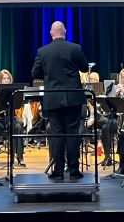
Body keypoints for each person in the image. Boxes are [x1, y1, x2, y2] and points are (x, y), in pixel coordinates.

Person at [31, 21, 89, 180]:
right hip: (73, 97)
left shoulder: (43, 51)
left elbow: (35, 73)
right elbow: (84, 68)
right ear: (65, 32)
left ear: (51, 33)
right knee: (72, 133)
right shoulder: (74, 48)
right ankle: (74, 170)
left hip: (53, 99)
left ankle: (57, 171)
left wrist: (49, 74)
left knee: (56, 135)